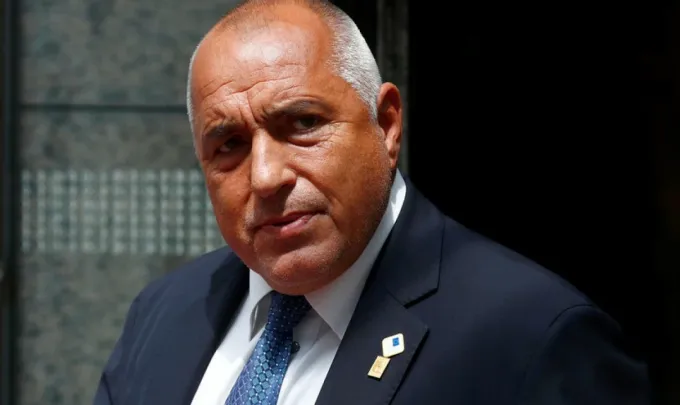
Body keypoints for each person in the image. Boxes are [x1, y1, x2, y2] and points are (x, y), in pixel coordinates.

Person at [93, 1, 650, 404]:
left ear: (386, 125)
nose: (265, 177)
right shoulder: (163, 314)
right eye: (229, 145)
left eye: (302, 124)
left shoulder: (533, 336)